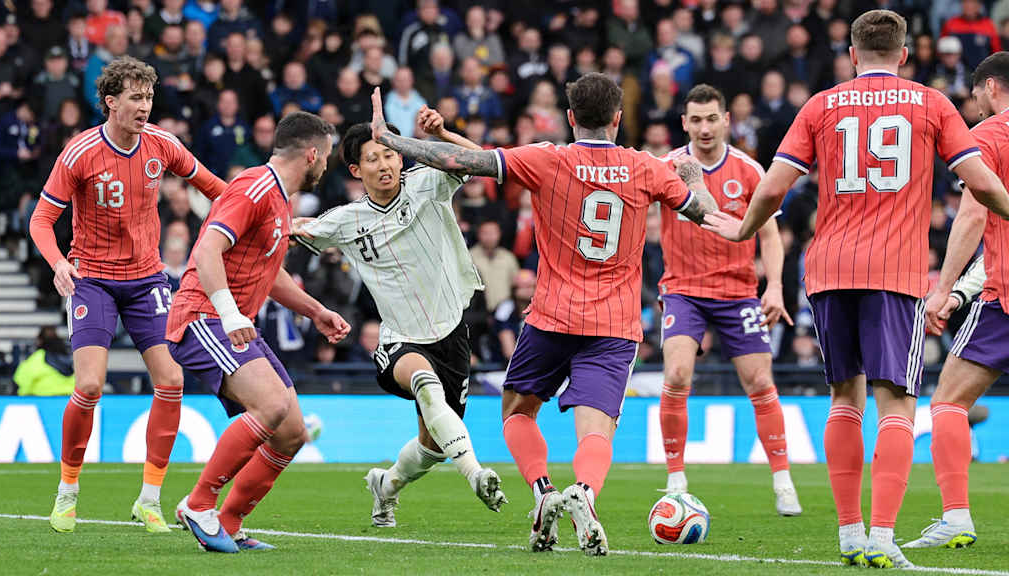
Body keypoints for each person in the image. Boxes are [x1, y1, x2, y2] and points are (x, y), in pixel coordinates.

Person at [702, 10, 1009, 569]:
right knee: (897, 403)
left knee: (845, 397)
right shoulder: (931, 103)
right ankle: (884, 537)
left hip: (827, 271)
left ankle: (849, 534)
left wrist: (743, 229)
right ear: (905, 54)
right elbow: (983, 185)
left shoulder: (821, 104)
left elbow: (773, 188)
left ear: (851, 54)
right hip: (893, 273)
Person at [367, 73, 715, 555]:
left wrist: (390, 140)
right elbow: (706, 213)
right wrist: (694, 175)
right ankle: (585, 494)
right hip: (614, 324)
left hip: (551, 315)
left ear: (572, 118)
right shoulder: (646, 168)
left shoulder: (547, 158)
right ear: (618, 119)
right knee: (597, 428)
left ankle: (543, 490)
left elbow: (462, 161)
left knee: (517, 410)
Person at [28, 55, 227, 535]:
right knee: (90, 385)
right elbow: (40, 220)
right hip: (92, 279)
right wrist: (58, 263)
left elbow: (215, 189)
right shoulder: (79, 154)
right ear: (111, 102)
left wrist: (256, 209)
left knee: (171, 380)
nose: (145, 106)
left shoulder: (162, 144)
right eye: (136, 97)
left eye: (149, 97)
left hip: (147, 281)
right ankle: (68, 492)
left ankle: (150, 499)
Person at [293, 107, 507, 528]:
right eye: (372, 158)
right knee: (425, 385)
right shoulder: (344, 220)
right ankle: (477, 474)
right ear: (356, 170)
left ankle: (386, 487)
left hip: (452, 332)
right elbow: (294, 229)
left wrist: (442, 132)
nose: (384, 164)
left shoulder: (429, 181)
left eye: (389, 154)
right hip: (400, 340)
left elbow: (480, 160)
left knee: (433, 447)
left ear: (401, 155)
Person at [169, 111, 350, 553]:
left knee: (292, 432)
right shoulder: (253, 187)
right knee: (270, 405)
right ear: (311, 155)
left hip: (232, 323)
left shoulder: (277, 199)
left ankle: (228, 524)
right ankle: (199, 503)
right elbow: (209, 248)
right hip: (203, 317)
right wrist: (231, 315)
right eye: (325, 157)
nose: (326, 167)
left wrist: (315, 310)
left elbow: (269, 272)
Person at [658, 84, 801, 516]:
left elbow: (771, 235)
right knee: (678, 373)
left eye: (712, 118)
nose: (704, 128)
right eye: (696, 120)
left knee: (760, 382)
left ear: (726, 120)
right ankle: (675, 479)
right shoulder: (667, 168)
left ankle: (783, 480)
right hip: (683, 288)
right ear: (684, 123)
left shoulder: (750, 170)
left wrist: (773, 286)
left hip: (738, 291)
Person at [906, 52, 1009, 550]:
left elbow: (971, 217)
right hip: (992, 286)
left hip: (1003, 299)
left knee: (948, 400)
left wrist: (945, 289)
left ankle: (956, 518)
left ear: (990, 87)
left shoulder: (988, 135)